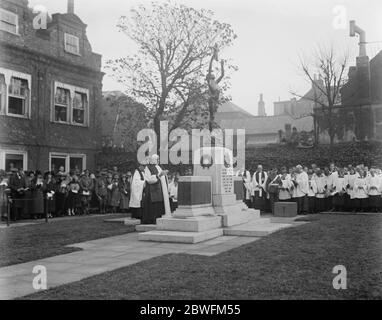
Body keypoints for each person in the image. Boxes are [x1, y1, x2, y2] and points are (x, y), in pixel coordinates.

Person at [142, 154, 171, 224]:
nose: (158, 160)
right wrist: (159, 175)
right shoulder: (148, 167)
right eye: (157, 159)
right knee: (153, 205)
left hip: (159, 189)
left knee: (159, 204)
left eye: (158, 159)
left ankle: (158, 218)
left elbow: (162, 177)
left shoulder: (159, 167)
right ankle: (152, 219)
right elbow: (148, 179)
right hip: (152, 190)